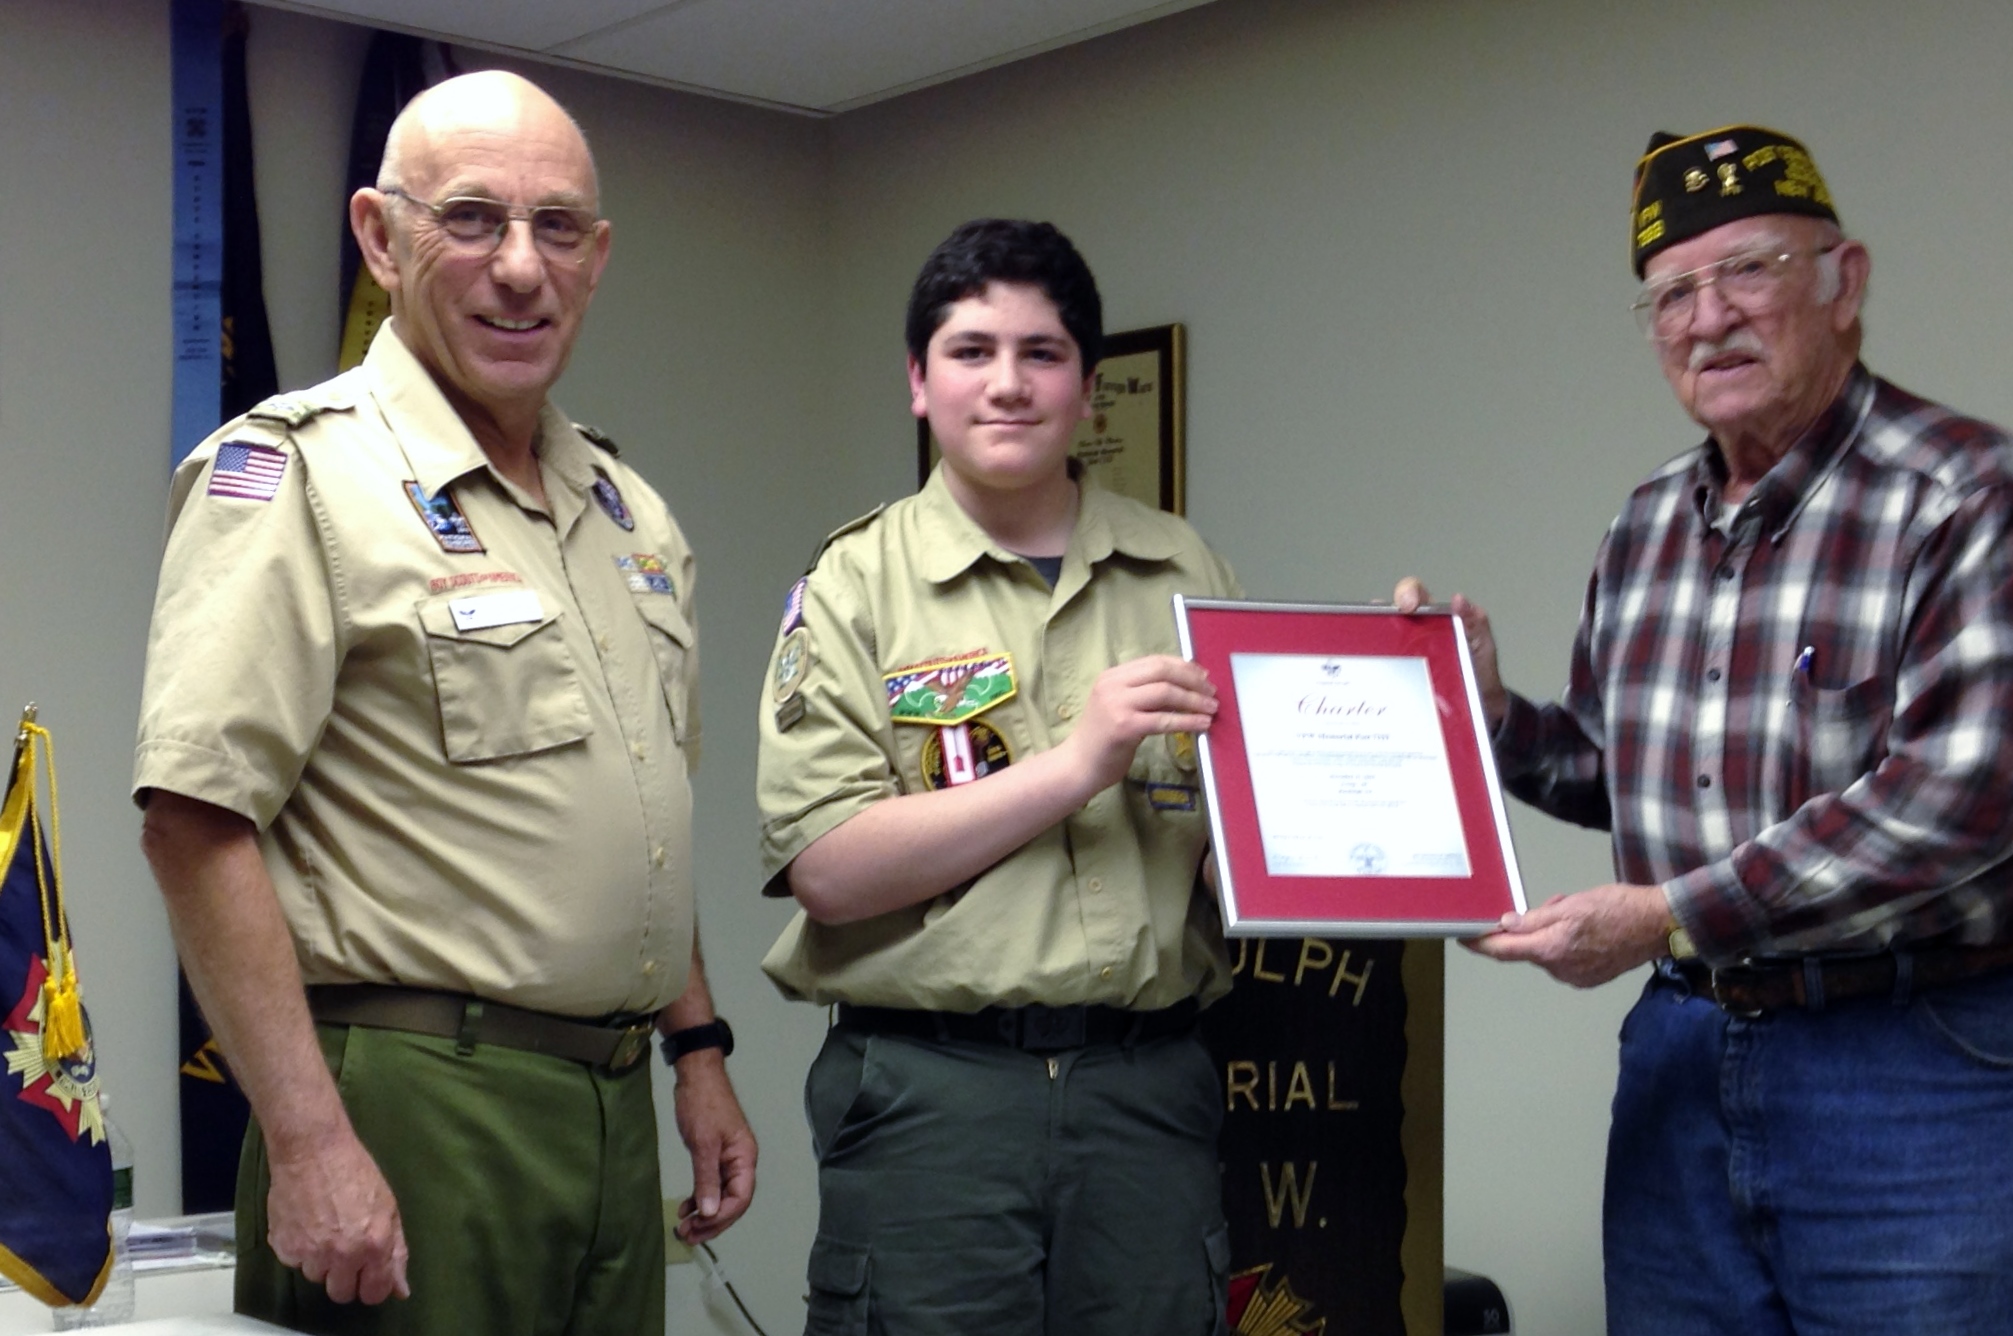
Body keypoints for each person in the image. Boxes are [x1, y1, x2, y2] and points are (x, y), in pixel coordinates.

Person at [134, 70, 755, 1334]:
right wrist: (309, 1143)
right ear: (380, 234)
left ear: (598, 255)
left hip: (614, 1099)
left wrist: (699, 1055)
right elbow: (195, 820)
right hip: (414, 1098)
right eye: (471, 218)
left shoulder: (630, 513)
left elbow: (650, 818)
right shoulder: (298, 473)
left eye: (557, 227)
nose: (520, 266)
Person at [1400, 125, 2013, 1333]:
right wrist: (1491, 712)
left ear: (1845, 280)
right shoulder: (1644, 527)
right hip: (1683, 1058)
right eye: (1672, 292)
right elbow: (1612, 770)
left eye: (1751, 270)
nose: (1707, 316)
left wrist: (1668, 913)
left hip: (1912, 1067)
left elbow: (1960, 796)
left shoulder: (1966, 494)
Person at [756, 219, 1238, 1335]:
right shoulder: (853, 585)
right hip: (936, 1095)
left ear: (1087, 389)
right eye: (971, 352)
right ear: (919, 384)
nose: (1007, 384)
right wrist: (1075, 766)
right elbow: (827, 868)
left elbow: (1241, 830)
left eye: (1043, 352)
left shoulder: (1183, 569)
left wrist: (1412, 715)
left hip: (1146, 1087)